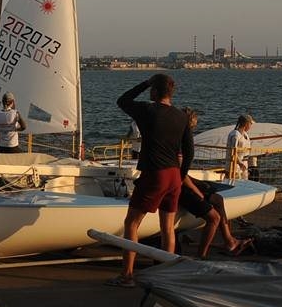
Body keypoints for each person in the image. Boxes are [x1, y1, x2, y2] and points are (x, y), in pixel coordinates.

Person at [107, 74, 193, 287]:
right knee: (168, 228)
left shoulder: (147, 110)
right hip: (174, 175)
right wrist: (181, 176)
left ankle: (127, 275)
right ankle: (166, 277)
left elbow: (122, 100)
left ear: (154, 91)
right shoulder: (182, 117)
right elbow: (189, 152)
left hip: (155, 174)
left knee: (132, 223)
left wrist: (145, 83)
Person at [180, 109, 252, 258]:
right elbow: (179, 174)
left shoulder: (183, 139)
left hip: (183, 181)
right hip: (179, 187)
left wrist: (199, 183)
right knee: (214, 218)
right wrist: (197, 189)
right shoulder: (180, 142)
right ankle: (202, 256)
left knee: (218, 199)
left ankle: (229, 241)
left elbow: (182, 172)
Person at [225, 113, 254, 179]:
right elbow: (232, 151)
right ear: (246, 124)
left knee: (244, 183)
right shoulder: (235, 135)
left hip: (243, 166)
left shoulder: (245, 134)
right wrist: (240, 163)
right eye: (250, 124)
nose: (251, 126)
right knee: (234, 181)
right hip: (234, 166)